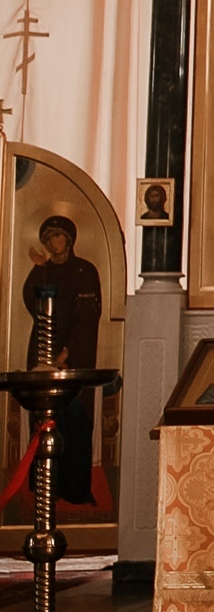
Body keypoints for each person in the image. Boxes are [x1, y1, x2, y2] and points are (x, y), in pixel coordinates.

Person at [22, 216, 104, 506]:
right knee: (44, 421)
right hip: (43, 349)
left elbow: (86, 318)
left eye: (58, 236)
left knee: (75, 423)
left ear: (69, 240)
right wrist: (39, 269)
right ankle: (46, 489)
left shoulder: (84, 271)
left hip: (74, 355)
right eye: (49, 238)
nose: (54, 242)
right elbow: (32, 302)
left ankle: (76, 490)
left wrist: (66, 355)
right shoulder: (43, 271)